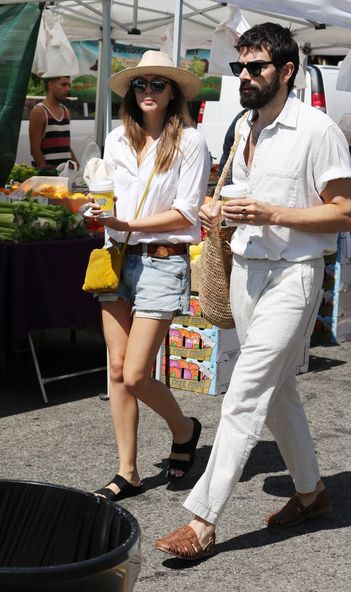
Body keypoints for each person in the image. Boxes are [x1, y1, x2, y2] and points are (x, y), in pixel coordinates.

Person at [155, 22, 351, 560]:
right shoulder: (245, 125)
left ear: (286, 71)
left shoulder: (318, 130)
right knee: (278, 390)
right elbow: (242, 191)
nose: (244, 75)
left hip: (293, 275)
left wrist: (273, 213)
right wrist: (219, 208)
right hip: (246, 270)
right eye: (239, 66)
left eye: (256, 67)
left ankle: (202, 520)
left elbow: (344, 212)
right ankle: (312, 492)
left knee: (245, 388)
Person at [86, 50, 211, 501]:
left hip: (162, 257)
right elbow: (110, 201)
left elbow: (186, 213)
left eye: (158, 84)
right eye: (141, 85)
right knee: (117, 369)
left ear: (173, 92)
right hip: (116, 256)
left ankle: (184, 428)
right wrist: (97, 211)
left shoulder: (191, 143)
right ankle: (128, 471)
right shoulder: (116, 140)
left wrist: (127, 224)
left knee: (137, 373)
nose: (148, 92)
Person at [29, 75, 79, 169]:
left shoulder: (66, 112)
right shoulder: (39, 111)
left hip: (65, 175)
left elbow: (65, 146)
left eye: (69, 85)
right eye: (63, 85)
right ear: (51, 85)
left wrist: (77, 166)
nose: (67, 89)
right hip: (49, 178)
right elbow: (35, 149)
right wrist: (45, 171)